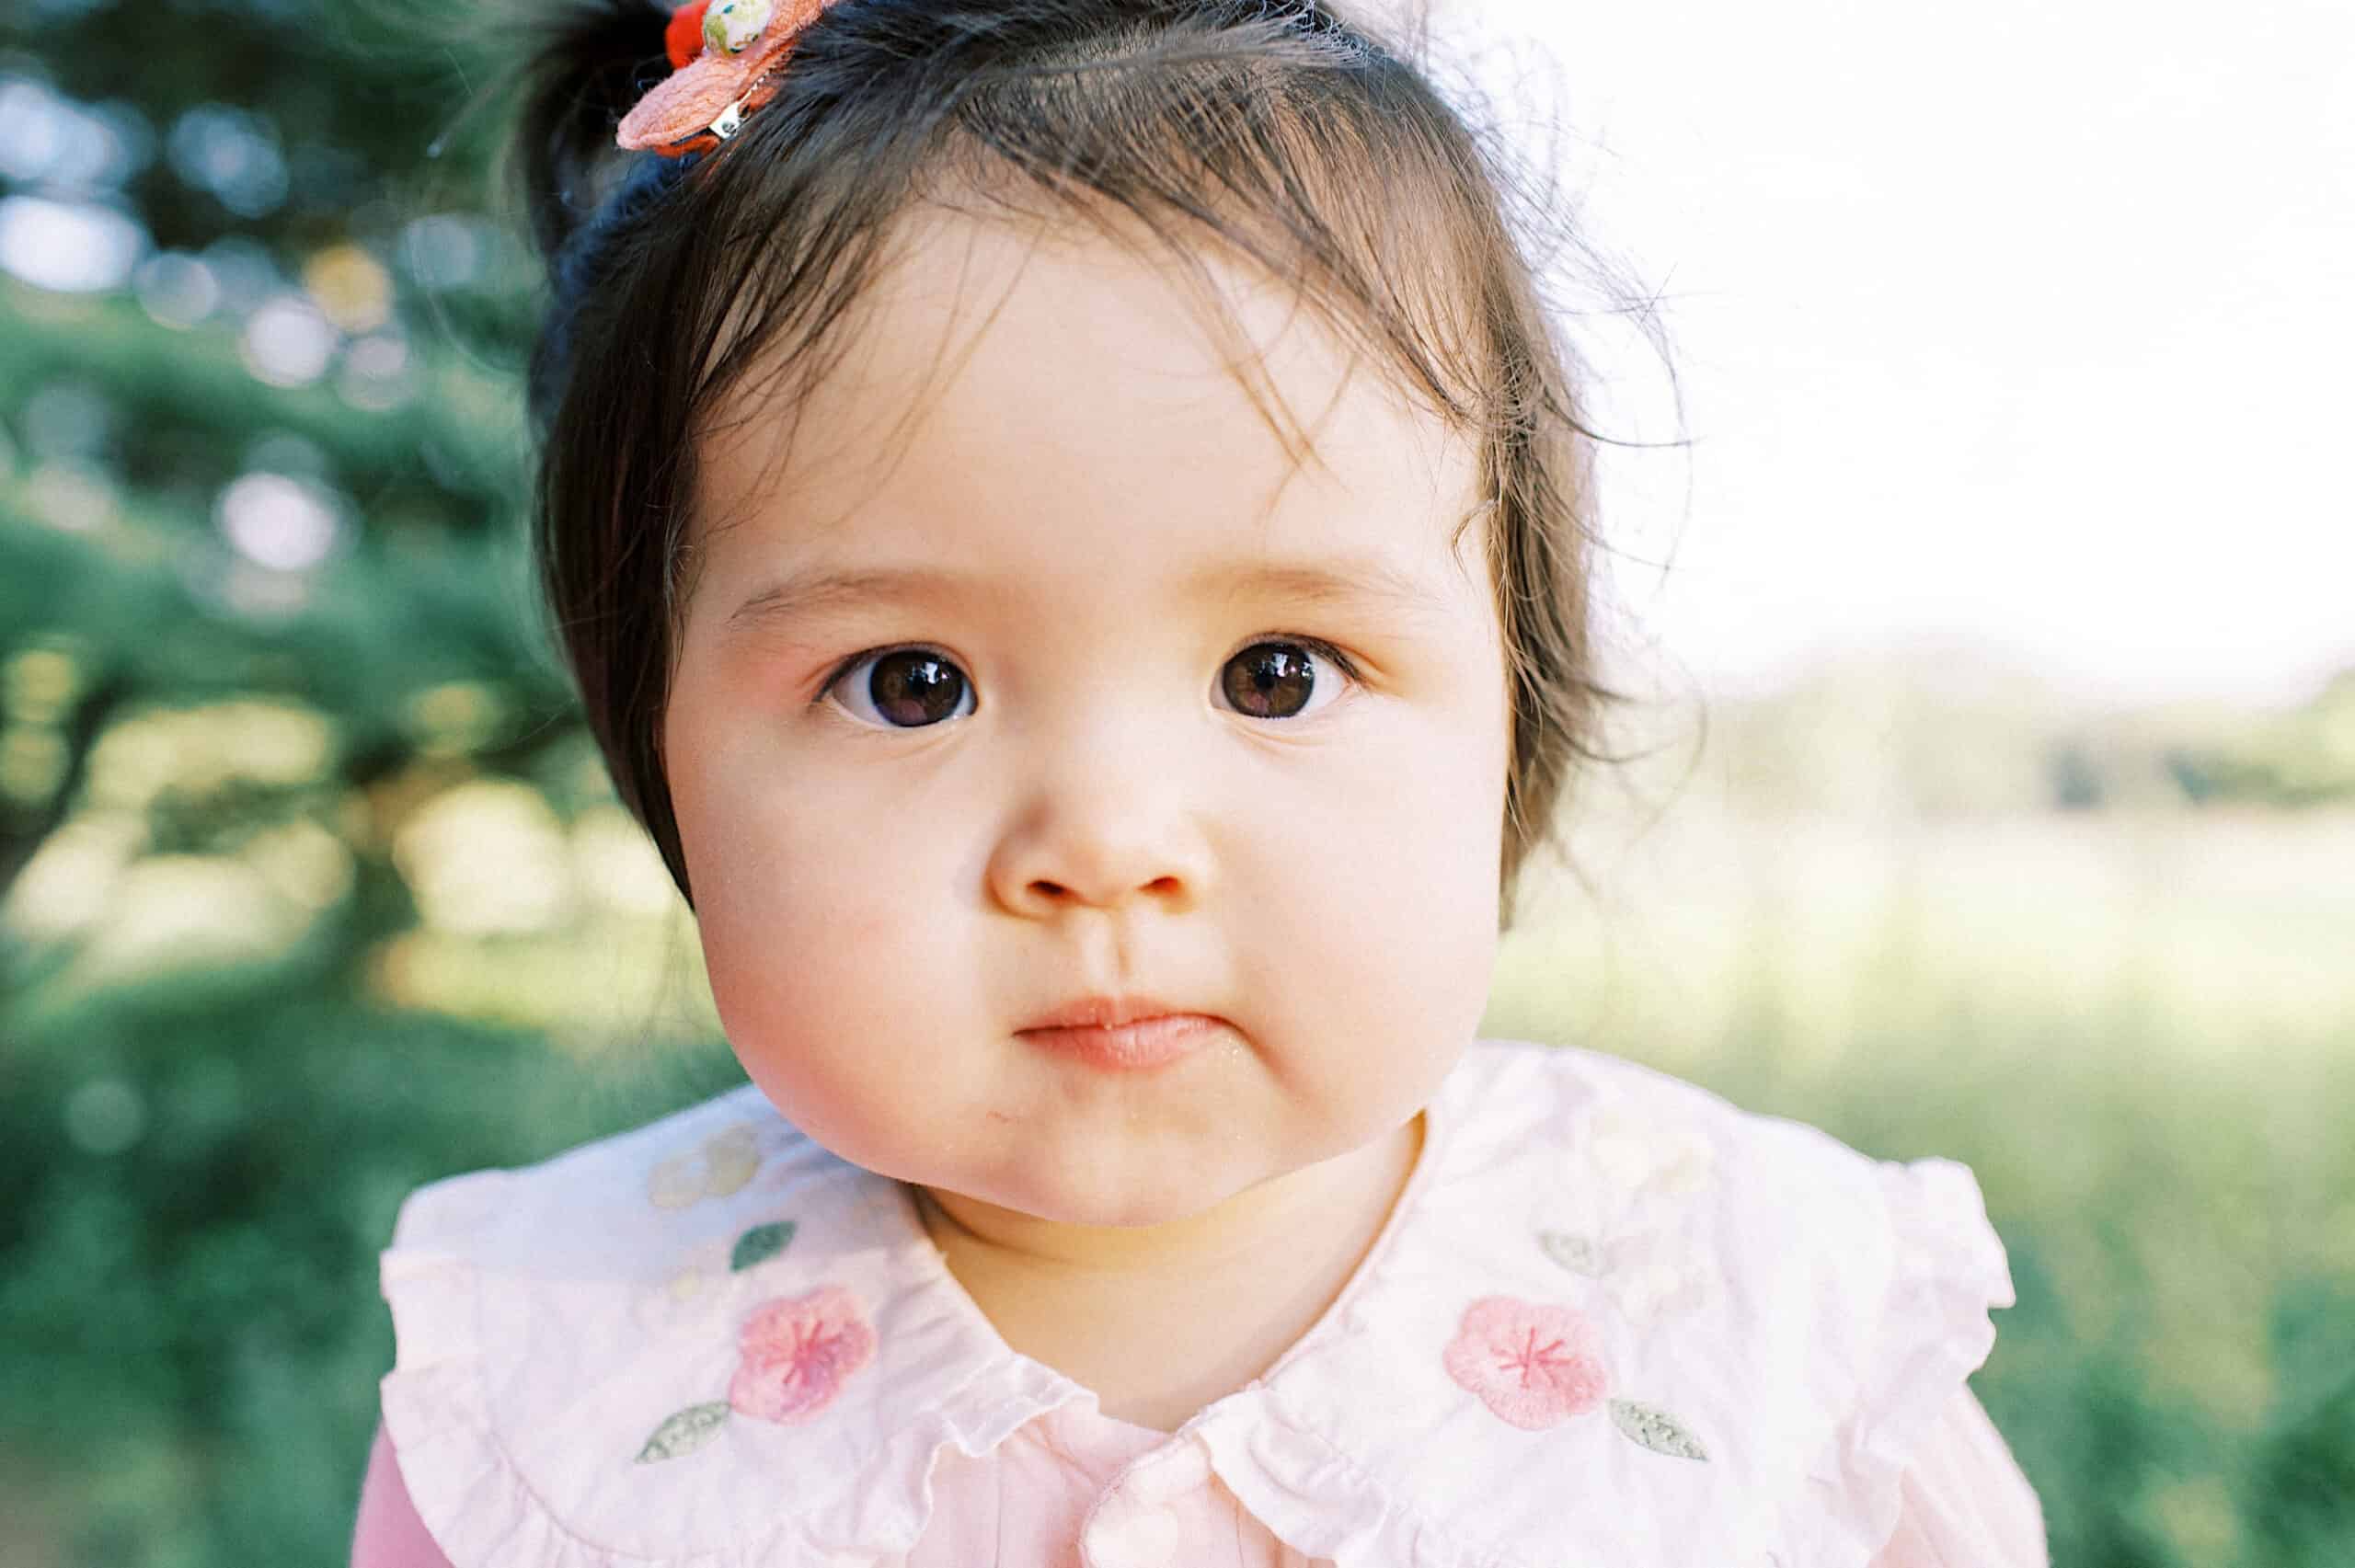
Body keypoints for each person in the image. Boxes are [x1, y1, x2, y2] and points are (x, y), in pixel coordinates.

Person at [351, 0, 2050, 1562]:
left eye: (1278, 674)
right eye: (909, 685)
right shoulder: (543, 1388)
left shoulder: (1774, 1333)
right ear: (657, 744)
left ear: (1506, 708)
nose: (1104, 846)